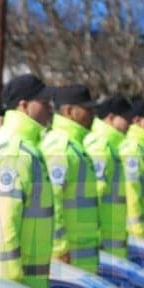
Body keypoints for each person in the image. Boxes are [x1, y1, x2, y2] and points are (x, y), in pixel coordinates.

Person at [0, 74, 56, 288]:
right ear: (24, 106)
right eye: (44, 103)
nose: (50, 108)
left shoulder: (23, 146)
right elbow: (3, 225)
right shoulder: (15, 152)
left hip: (23, 287)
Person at [42, 84, 102, 273]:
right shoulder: (60, 147)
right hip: (68, 261)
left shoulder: (76, 147)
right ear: (69, 111)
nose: (92, 114)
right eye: (87, 109)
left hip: (82, 258)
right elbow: (51, 201)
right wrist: (59, 247)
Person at [85, 95, 131, 258]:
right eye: (126, 118)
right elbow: (93, 198)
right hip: (102, 247)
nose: (130, 124)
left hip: (111, 246)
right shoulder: (100, 148)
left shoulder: (111, 147)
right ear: (111, 118)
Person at [118, 99, 144, 244]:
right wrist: (139, 234)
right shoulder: (133, 150)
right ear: (137, 120)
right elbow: (131, 195)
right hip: (137, 238)